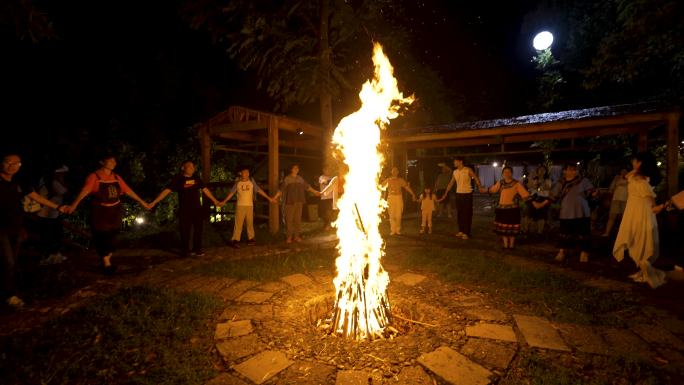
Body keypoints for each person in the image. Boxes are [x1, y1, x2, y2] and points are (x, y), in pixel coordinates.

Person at [1, 153, 69, 308]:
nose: (12, 166)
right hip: (1, 229)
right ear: (2, 163)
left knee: (11, 262)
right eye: (8, 162)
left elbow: (37, 197)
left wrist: (58, 207)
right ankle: (9, 295)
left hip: (16, 229)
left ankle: (8, 292)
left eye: (16, 163)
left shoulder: (19, 182)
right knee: (8, 262)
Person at [67, 155, 150, 274]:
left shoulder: (116, 177)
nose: (113, 163)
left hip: (115, 210)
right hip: (100, 211)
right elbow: (85, 191)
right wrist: (74, 205)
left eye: (114, 161)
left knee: (113, 237)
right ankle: (107, 264)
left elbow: (128, 190)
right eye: (110, 160)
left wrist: (142, 202)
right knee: (102, 236)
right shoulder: (94, 176)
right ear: (102, 161)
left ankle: (105, 261)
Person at [613, 152, 666, 289]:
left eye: (635, 161)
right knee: (636, 240)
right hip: (634, 211)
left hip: (641, 212)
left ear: (641, 163)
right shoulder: (635, 177)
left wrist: (659, 207)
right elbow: (626, 176)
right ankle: (642, 272)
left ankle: (646, 274)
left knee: (640, 240)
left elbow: (651, 203)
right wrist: (637, 168)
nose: (632, 163)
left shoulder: (641, 181)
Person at [150, 160, 221, 257]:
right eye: (189, 166)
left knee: (198, 230)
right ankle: (185, 251)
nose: (192, 168)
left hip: (197, 210)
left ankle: (197, 249)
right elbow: (167, 191)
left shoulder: (196, 178)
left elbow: (205, 190)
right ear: (183, 168)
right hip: (185, 210)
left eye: (193, 166)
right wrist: (155, 202)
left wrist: (215, 200)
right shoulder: (178, 179)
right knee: (184, 231)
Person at [538, 163, 597, 263]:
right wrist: (541, 204)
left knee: (583, 234)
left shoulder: (583, 181)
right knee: (564, 234)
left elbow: (592, 192)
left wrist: (595, 194)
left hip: (582, 212)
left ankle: (584, 252)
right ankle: (562, 252)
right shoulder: (560, 183)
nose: (572, 172)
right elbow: (552, 197)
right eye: (570, 169)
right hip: (566, 212)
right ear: (564, 171)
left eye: (574, 170)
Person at [222, 166, 276, 248]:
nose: (246, 174)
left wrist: (269, 198)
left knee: (250, 223)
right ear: (241, 173)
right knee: (238, 223)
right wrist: (224, 201)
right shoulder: (238, 182)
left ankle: (251, 239)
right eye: (244, 172)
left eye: (247, 172)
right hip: (240, 205)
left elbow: (258, 190)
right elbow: (232, 193)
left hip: (249, 205)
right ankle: (235, 240)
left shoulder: (251, 181)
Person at [486, 166, 535, 249]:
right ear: (502, 174)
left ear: (512, 173)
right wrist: (485, 189)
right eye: (505, 172)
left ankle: (511, 245)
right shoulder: (500, 182)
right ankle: (505, 245)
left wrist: (533, 202)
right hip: (502, 210)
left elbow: (524, 193)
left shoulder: (517, 183)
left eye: (509, 172)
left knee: (512, 229)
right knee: (503, 229)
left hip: (513, 210)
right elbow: (493, 190)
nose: (507, 174)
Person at [439, 157, 485, 239]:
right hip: (459, 194)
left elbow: (475, 177)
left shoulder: (468, 170)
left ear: (460, 162)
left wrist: (480, 186)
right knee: (460, 213)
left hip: (467, 194)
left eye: (455, 161)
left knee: (467, 213)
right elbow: (451, 183)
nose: (454, 163)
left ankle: (466, 233)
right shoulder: (455, 172)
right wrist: (445, 193)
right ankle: (461, 231)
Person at [273, 164, 320, 243]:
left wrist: (315, 192)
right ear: (291, 169)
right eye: (294, 168)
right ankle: (289, 237)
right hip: (290, 202)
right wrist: (275, 197)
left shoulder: (300, 179)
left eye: (297, 168)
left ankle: (297, 236)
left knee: (297, 220)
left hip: (299, 202)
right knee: (289, 221)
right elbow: (281, 189)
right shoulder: (287, 179)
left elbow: (307, 186)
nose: (296, 169)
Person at [36, 165, 69, 264]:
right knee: (54, 235)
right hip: (52, 213)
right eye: (62, 174)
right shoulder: (54, 183)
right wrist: (62, 181)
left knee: (45, 236)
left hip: (42, 212)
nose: (63, 175)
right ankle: (52, 256)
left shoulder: (43, 180)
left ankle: (46, 256)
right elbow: (65, 191)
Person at [381, 166, 416, 236]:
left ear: (398, 172)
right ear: (391, 172)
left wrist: (413, 194)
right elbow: (381, 186)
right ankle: (393, 230)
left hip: (398, 198)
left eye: (396, 171)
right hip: (391, 198)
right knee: (391, 215)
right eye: (393, 171)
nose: (394, 172)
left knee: (398, 215)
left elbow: (407, 187)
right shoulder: (388, 180)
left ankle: (397, 229)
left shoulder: (400, 180)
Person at [524, 165, 553, 237]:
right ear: (537, 171)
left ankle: (540, 232)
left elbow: (548, 188)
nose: (542, 171)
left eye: (543, 170)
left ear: (546, 172)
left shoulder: (548, 180)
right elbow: (529, 187)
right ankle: (526, 230)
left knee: (542, 215)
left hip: (543, 198)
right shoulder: (533, 179)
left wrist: (542, 183)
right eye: (540, 170)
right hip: (533, 197)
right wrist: (534, 182)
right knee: (528, 213)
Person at [602, 168, 629, 237]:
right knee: (612, 216)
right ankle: (607, 232)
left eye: (625, 171)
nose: (624, 172)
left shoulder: (630, 178)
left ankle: (624, 234)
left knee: (625, 218)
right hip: (616, 199)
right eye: (622, 171)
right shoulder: (617, 177)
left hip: (625, 200)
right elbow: (611, 188)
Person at [318, 166, 334, 230]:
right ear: (323, 170)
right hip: (325, 198)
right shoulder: (321, 177)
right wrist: (334, 180)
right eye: (326, 169)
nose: (328, 171)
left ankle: (329, 225)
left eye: (329, 169)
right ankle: (327, 225)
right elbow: (326, 182)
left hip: (332, 197)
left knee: (331, 211)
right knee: (327, 212)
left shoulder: (331, 177)